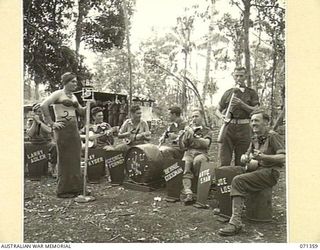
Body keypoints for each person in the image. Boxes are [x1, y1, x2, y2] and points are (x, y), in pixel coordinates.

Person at [218, 109, 285, 236]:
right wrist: (245, 157)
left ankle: (236, 222)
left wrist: (264, 157)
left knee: (238, 180)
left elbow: (283, 157)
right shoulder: (255, 137)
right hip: (257, 169)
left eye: (256, 120)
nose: (253, 123)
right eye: (252, 121)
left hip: (270, 172)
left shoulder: (273, 136)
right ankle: (227, 208)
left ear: (265, 122)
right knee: (226, 171)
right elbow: (248, 155)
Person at [40, 72, 87, 198]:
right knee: (65, 159)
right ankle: (64, 190)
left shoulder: (74, 97)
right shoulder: (58, 93)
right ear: (65, 82)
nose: (75, 84)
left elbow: (81, 111)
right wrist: (51, 123)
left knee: (76, 157)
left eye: (76, 82)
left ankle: (76, 188)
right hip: (62, 129)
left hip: (74, 129)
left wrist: (89, 103)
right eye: (72, 81)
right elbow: (43, 105)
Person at [216, 67, 259, 167]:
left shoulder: (251, 93)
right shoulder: (228, 93)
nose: (239, 78)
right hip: (228, 127)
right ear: (233, 76)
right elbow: (217, 110)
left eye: (241, 76)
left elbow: (256, 110)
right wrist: (221, 116)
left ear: (246, 76)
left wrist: (242, 104)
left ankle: (239, 180)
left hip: (244, 128)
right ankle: (223, 180)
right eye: (236, 75)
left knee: (242, 159)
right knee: (224, 158)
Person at [180, 109, 213, 205]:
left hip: (201, 153)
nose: (194, 119)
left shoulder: (207, 130)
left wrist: (194, 135)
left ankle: (200, 187)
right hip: (189, 152)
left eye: (196, 116)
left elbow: (206, 143)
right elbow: (183, 145)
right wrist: (185, 136)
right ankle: (188, 191)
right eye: (193, 116)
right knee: (185, 163)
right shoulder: (189, 128)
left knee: (198, 161)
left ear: (202, 117)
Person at [24, 103, 57, 177]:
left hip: (45, 142)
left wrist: (39, 122)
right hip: (34, 142)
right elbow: (30, 134)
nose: (40, 113)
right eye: (38, 112)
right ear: (34, 113)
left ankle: (53, 169)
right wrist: (35, 122)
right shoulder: (30, 121)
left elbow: (49, 130)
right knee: (23, 146)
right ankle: (23, 168)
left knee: (54, 146)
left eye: (41, 111)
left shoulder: (47, 120)